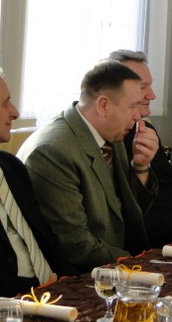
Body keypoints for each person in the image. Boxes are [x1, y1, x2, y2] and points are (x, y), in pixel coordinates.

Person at [18, 61, 159, 272]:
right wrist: (140, 265)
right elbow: (75, 245)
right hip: (78, 276)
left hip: (115, 263)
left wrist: (141, 167)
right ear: (103, 105)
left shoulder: (111, 133)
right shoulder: (53, 151)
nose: (138, 115)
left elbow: (131, 215)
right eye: (132, 106)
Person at [108, 50, 172, 246]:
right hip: (160, 241)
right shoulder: (112, 138)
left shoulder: (145, 128)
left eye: (150, 85)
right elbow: (133, 214)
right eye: (143, 87)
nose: (152, 95)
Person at [0, 69, 77, 296]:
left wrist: (75, 284)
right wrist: (35, 289)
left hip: (54, 294)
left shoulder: (11, 167)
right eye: (5, 103)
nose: (15, 112)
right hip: (16, 303)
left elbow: (46, 241)